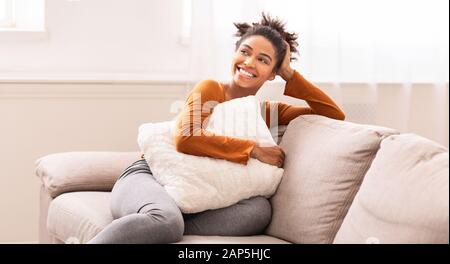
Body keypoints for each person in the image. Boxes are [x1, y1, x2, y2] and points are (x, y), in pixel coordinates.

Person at [88, 13, 345, 244]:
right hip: (150, 176)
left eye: (263, 60)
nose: (249, 62)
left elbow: (333, 114)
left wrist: (289, 72)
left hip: (199, 194)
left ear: (272, 73)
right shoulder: (211, 89)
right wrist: (253, 149)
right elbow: (186, 138)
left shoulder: (266, 112)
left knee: (258, 210)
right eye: (244, 52)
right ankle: (162, 221)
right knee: (166, 221)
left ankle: (162, 225)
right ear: (234, 53)